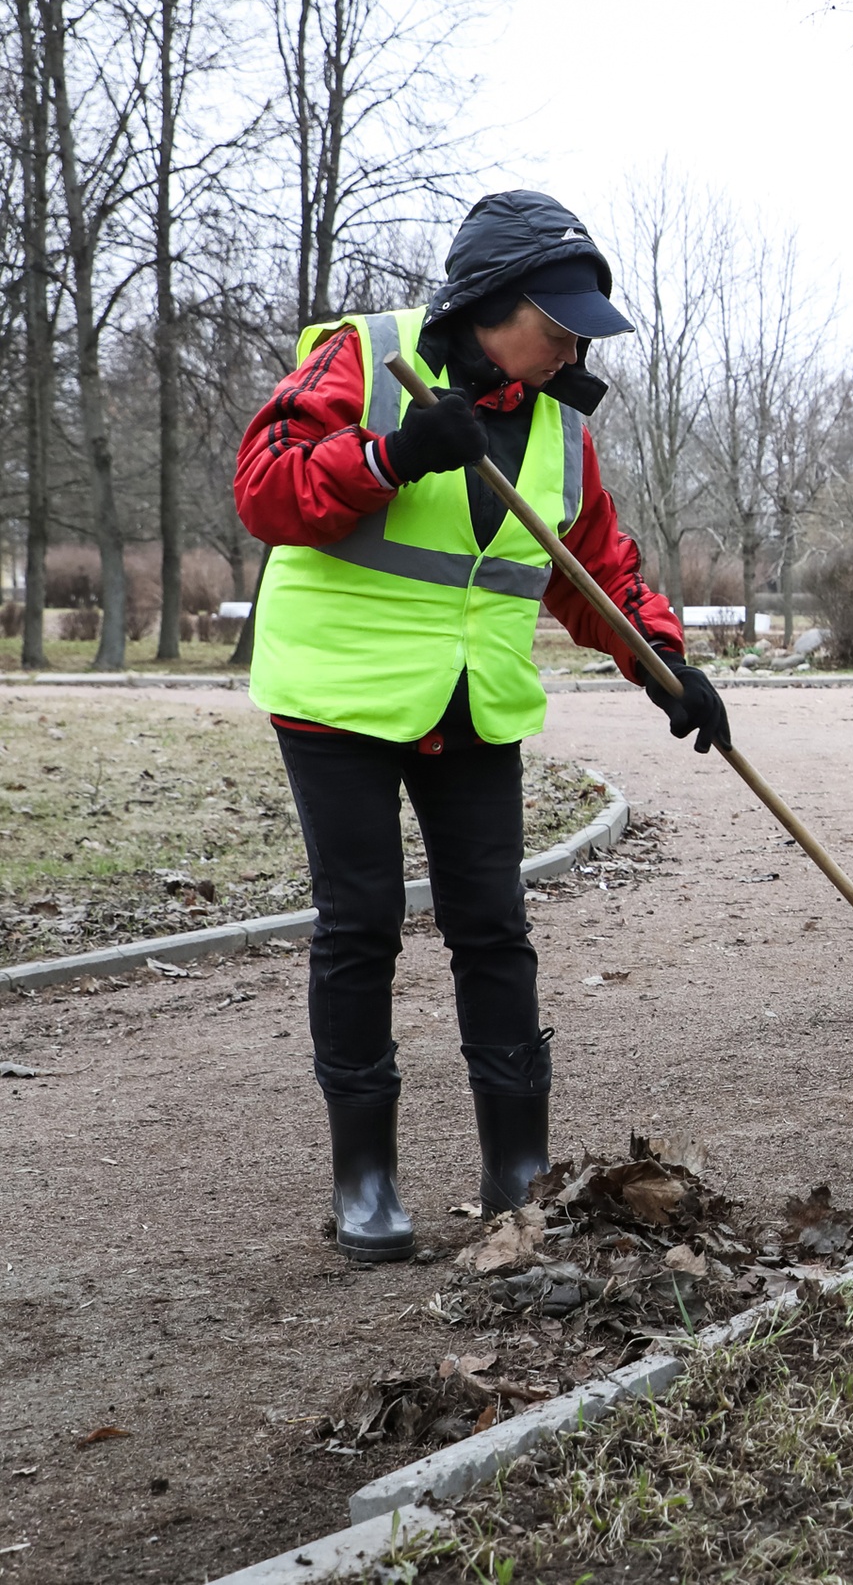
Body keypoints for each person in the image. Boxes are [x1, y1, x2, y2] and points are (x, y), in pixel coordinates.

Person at [235, 189, 733, 1263]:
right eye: (551, 327)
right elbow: (266, 492)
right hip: (341, 693)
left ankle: (519, 1167)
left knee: (494, 930)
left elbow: (593, 567)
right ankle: (364, 1177)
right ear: (488, 301)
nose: (563, 351)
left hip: (474, 703)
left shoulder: (555, 425)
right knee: (361, 923)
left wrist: (666, 664)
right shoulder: (363, 359)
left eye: (576, 335)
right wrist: (389, 456)